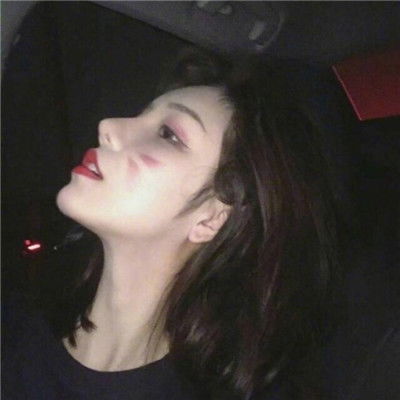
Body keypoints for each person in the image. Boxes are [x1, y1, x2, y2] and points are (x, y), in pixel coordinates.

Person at [2, 47, 342, 400]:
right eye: (141, 115)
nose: (108, 126)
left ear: (211, 218)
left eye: (168, 134)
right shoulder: (15, 329)